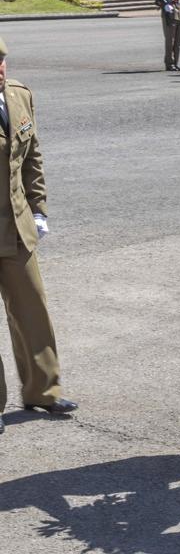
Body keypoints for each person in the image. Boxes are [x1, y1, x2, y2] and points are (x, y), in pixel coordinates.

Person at [0, 37, 79, 437]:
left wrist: (40, 208)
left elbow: (32, 157)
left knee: (33, 311)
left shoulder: (18, 97)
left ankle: (43, 391)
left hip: (16, 227)